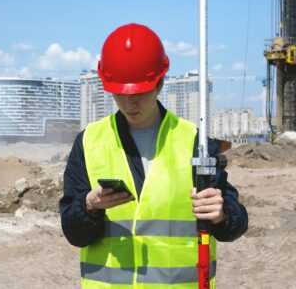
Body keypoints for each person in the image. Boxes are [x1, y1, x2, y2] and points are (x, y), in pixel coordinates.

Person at [60, 23, 248, 288]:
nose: (129, 103)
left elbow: (235, 223)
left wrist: (223, 214)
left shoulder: (194, 141)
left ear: (160, 83)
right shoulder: (89, 141)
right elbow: (73, 232)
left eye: (139, 92)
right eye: (121, 93)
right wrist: (89, 206)